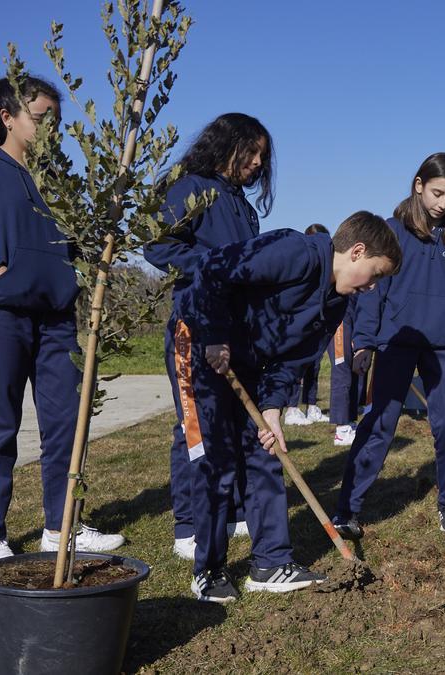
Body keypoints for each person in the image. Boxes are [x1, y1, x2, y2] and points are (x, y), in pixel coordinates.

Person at [0, 74, 124, 565]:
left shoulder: (58, 182)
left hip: (56, 319)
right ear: (8, 117)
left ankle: (60, 528)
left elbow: (77, 242)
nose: (50, 128)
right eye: (41, 117)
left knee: (65, 425)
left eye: (55, 119)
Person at [176, 212, 401, 602]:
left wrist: (274, 408)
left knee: (266, 453)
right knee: (218, 457)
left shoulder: (334, 305)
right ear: (357, 251)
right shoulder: (294, 251)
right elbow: (214, 268)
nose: (372, 287)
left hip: (245, 361)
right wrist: (214, 335)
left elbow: (292, 360)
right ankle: (208, 570)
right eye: (375, 274)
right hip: (198, 342)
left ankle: (270, 562)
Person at [333, 152, 445, 536]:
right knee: (379, 424)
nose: (443, 204)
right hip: (395, 342)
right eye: (437, 193)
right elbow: (372, 289)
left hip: (444, 347)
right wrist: (364, 342)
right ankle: (347, 509)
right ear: (418, 186)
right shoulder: (393, 230)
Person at [144, 112, 272, 560]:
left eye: (262, 155)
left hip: (238, 331)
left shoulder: (244, 206)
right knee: (196, 427)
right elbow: (157, 244)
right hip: (194, 327)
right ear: (226, 145)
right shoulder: (190, 187)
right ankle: (188, 522)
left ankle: (232, 508)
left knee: (235, 426)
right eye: (250, 152)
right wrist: (212, 265)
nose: (257, 162)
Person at [284, 223, 332, 427]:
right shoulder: (301, 263)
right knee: (298, 364)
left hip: (317, 325)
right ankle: (292, 409)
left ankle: (311, 405)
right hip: (299, 324)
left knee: (314, 364)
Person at [327, 300, 366, 446]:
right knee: (341, 370)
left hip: (354, 310)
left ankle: (349, 421)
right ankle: (341, 430)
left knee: (354, 368)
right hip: (340, 313)